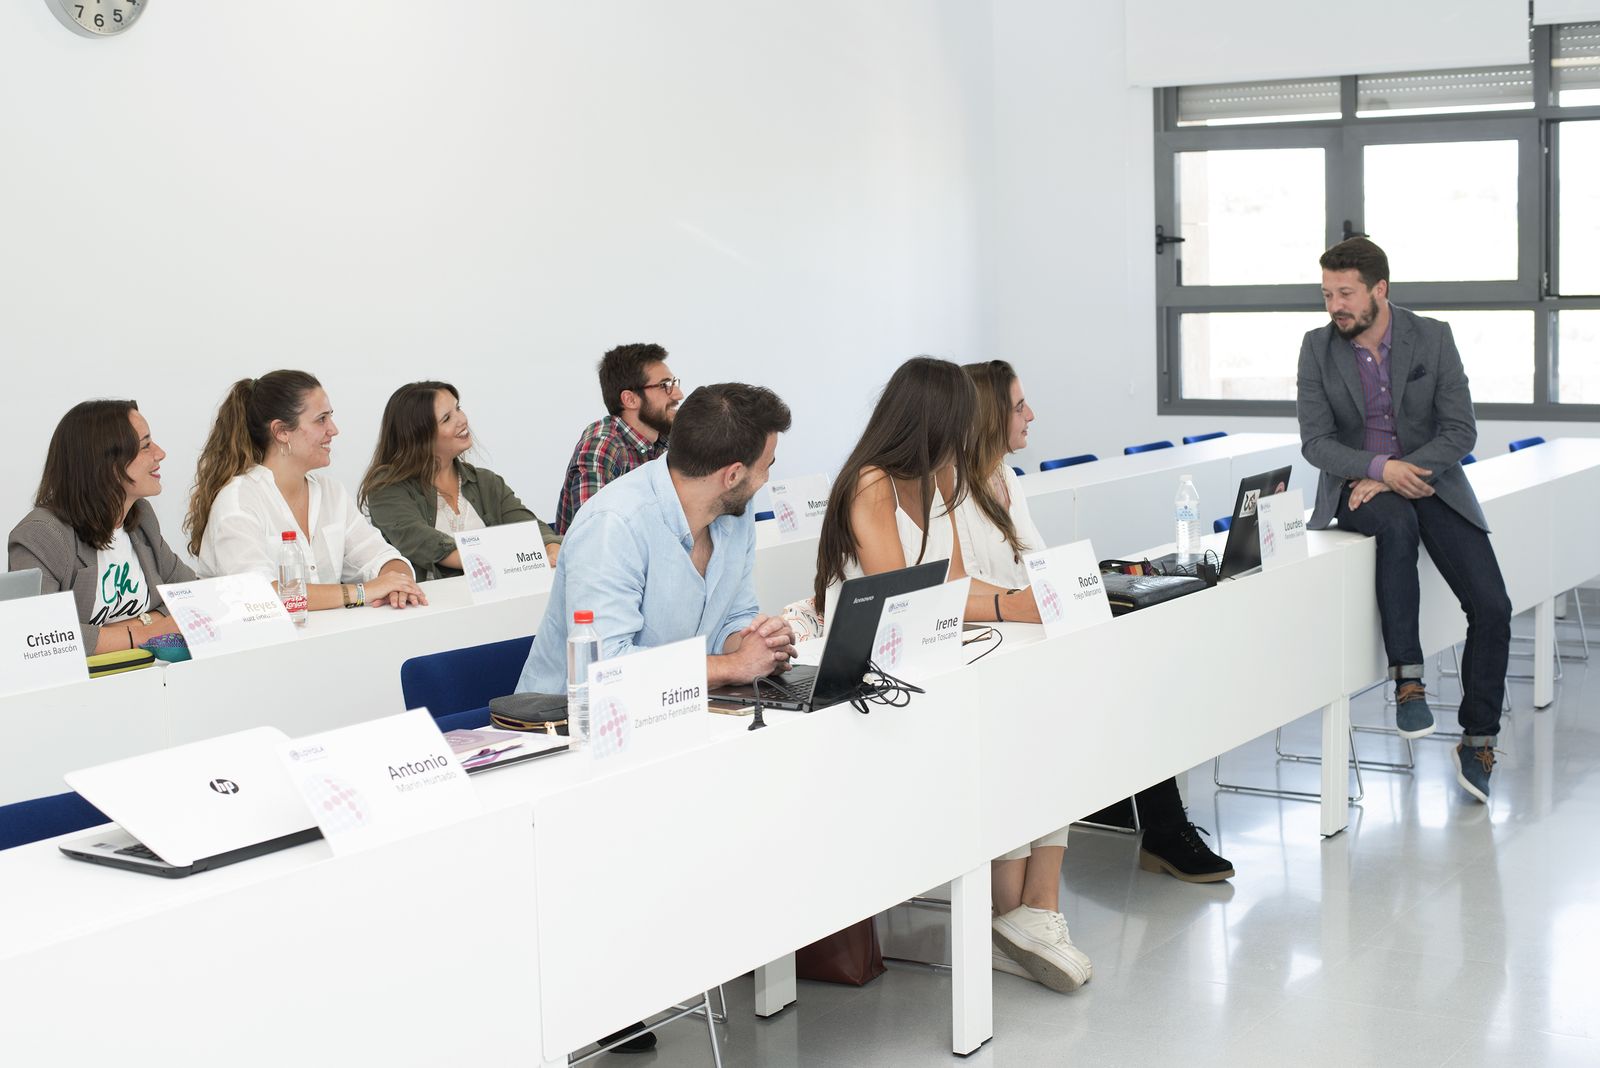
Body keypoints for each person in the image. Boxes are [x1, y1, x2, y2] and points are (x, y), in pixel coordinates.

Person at [1298, 237, 1511, 803]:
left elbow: (1460, 430)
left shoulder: (1433, 337)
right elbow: (1316, 443)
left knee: (1493, 606)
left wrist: (1399, 471)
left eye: (1345, 294)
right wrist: (1377, 469)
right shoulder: (1316, 348)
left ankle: (1479, 739)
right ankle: (1408, 681)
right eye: (1327, 294)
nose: (1334, 306)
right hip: (1358, 487)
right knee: (1397, 526)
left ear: (1380, 289)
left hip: (1430, 481)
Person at [185, 370, 427, 611]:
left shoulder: (331, 492)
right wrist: (364, 591)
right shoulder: (238, 501)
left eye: (330, 417)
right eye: (321, 419)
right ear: (281, 432)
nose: (333, 429)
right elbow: (259, 595)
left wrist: (398, 584)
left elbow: (382, 557)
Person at [9, 400, 195, 653]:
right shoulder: (42, 535)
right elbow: (39, 634)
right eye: (145, 446)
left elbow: (192, 593)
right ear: (106, 463)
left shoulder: (142, 519)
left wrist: (133, 626)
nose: (160, 453)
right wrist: (147, 633)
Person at [361, 381, 562, 580]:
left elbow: (532, 529)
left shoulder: (487, 482)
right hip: (430, 600)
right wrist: (508, 558)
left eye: (458, 408)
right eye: (447, 418)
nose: (462, 420)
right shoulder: (386, 489)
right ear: (418, 436)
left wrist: (551, 547)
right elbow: (424, 543)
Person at [553, 342, 684, 533]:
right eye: (665, 386)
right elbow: (594, 531)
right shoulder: (601, 445)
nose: (679, 395)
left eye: (674, 383)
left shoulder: (668, 439)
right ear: (630, 399)